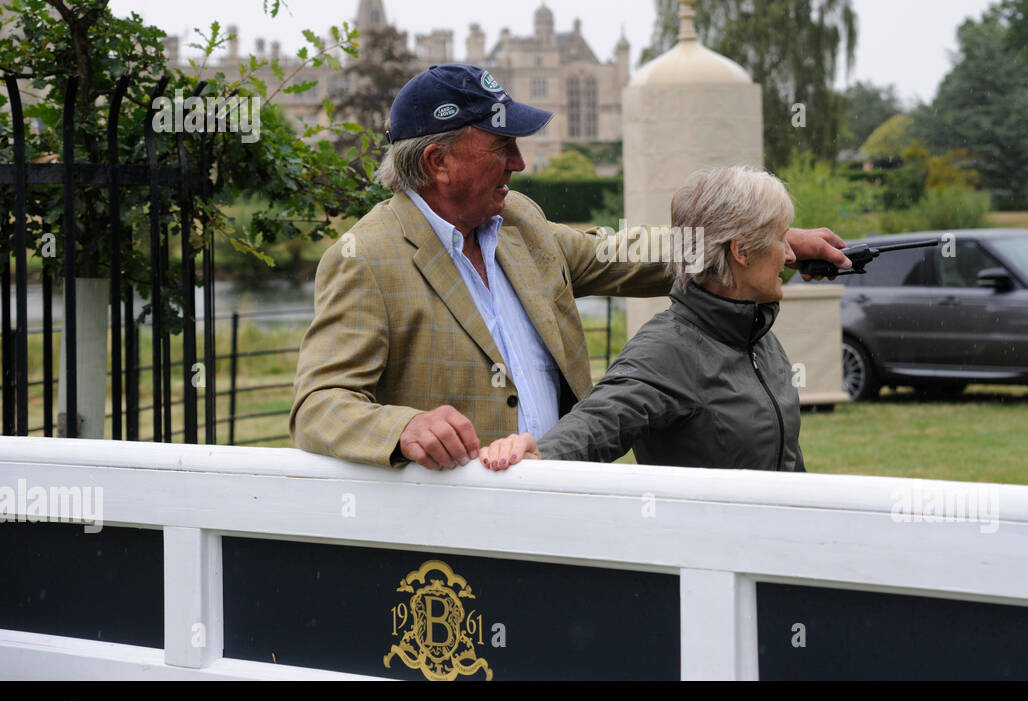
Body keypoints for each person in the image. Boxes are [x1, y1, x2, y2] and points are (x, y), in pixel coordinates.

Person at [290, 65, 847, 469]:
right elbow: (319, 406)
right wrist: (404, 427)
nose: (520, 162)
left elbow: (622, 254)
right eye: (502, 145)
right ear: (438, 162)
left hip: (561, 501)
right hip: (457, 524)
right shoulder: (366, 258)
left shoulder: (519, 223)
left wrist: (764, 237)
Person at [480, 165, 805, 471]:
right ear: (742, 251)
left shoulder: (757, 332)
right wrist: (541, 454)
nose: (791, 254)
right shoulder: (667, 351)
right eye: (782, 238)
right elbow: (598, 422)